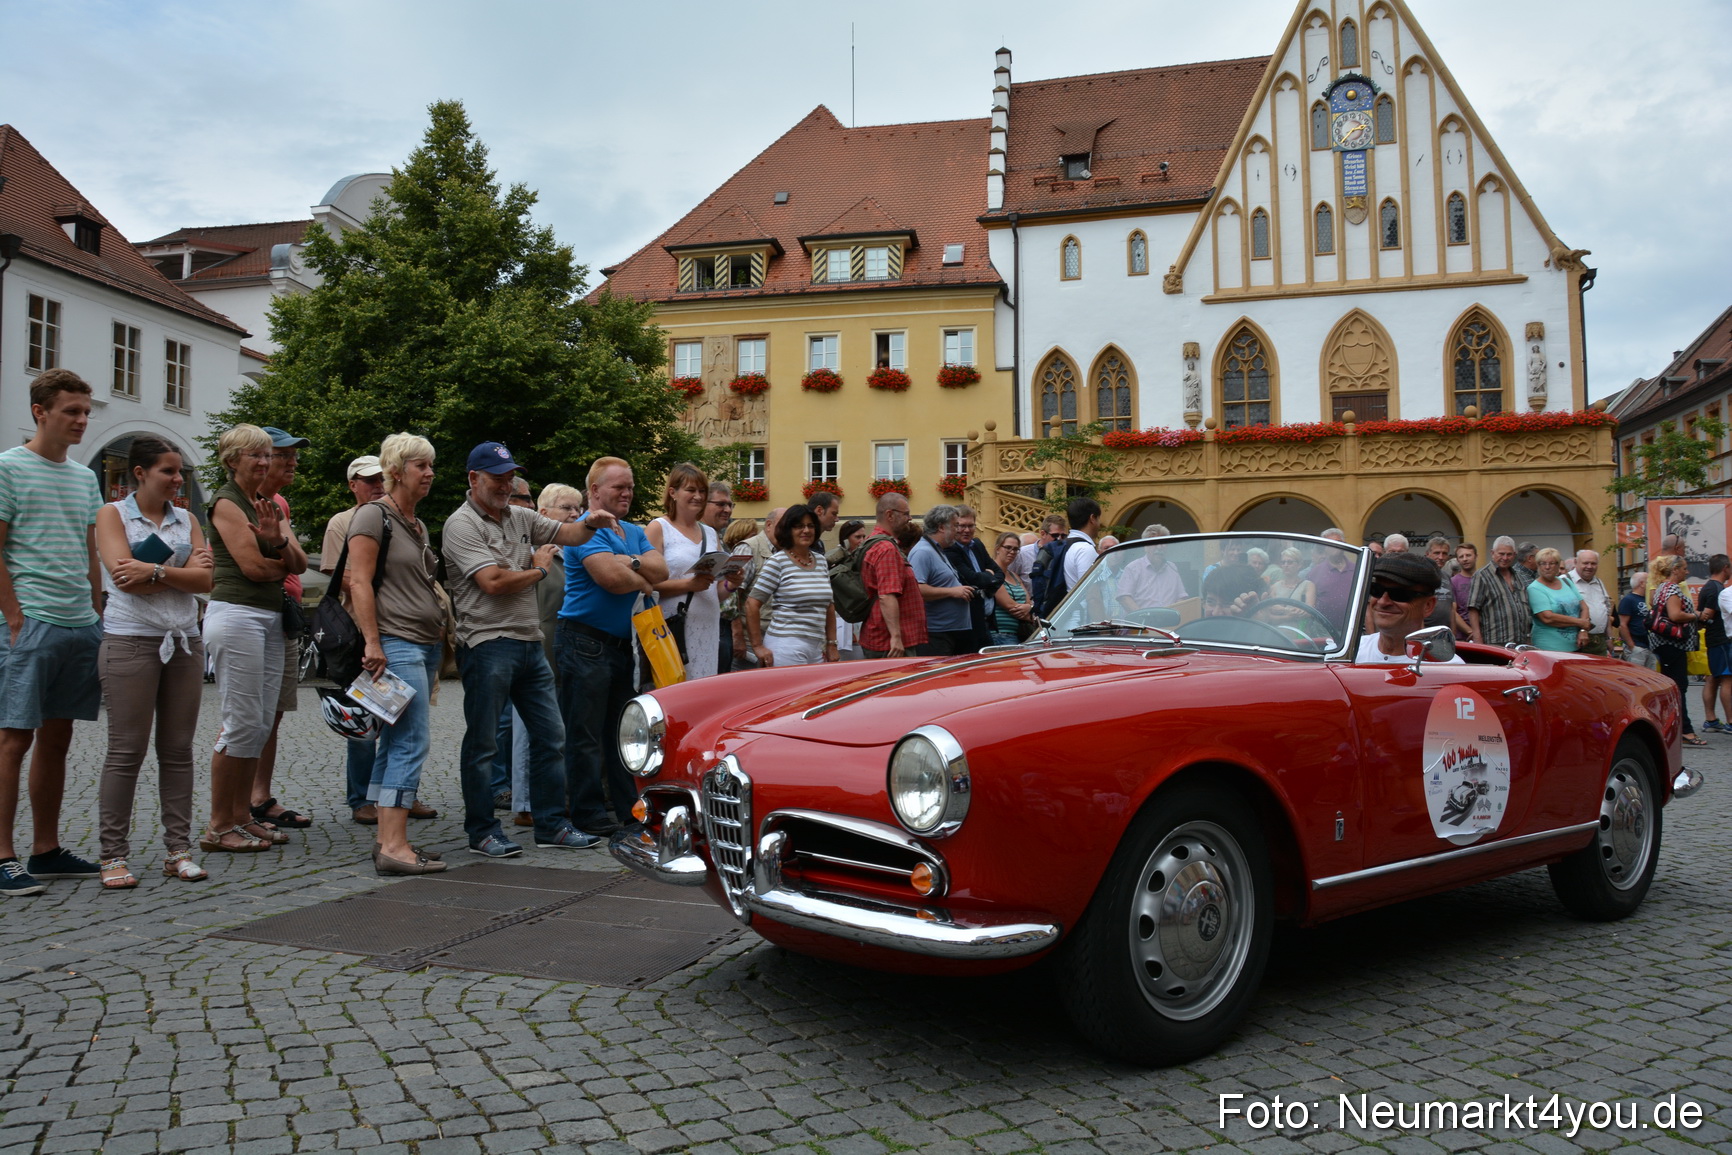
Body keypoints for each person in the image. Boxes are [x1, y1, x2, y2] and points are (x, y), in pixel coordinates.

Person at [443, 441, 619, 859]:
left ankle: (551, 825)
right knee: (484, 744)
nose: (506, 485)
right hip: (487, 643)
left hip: (528, 643)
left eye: (509, 477)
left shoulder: (519, 515)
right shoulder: (461, 524)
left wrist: (591, 521)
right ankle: (482, 831)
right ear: (473, 479)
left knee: (551, 737)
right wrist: (539, 567)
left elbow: (570, 534)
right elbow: (493, 582)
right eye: (497, 477)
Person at [0, 370, 108, 896]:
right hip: (32, 620)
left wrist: (94, 611)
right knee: (13, 739)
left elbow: (88, 552)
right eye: (72, 411)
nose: (82, 420)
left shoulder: (84, 477)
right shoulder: (8, 468)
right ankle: (2, 855)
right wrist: (14, 617)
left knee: (57, 738)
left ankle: (45, 851)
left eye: (86, 411)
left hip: (78, 623)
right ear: (41, 411)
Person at [94, 437, 214, 888]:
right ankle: (112, 855)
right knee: (126, 752)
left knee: (178, 751)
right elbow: (124, 579)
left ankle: (178, 851)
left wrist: (158, 571)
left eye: (180, 471)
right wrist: (177, 575)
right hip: (130, 641)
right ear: (140, 473)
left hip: (184, 642)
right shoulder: (113, 515)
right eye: (168, 470)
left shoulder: (186, 519)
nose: (178, 479)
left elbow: (207, 581)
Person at [202, 424, 305, 855]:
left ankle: (242, 816)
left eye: (267, 455)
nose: (264, 462)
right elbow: (252, 569)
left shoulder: (266, 504)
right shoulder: (227, 502)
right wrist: (278, 557)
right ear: (232, 461)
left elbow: (296, 560)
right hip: (238, 614)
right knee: (241, 722)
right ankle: (218, 825)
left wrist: (277, 543)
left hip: (266, 616)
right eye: (254, 456)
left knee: (260, 723)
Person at [347, 434, 447, 874]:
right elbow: (359, 582)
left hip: (422, 645)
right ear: (395, 470)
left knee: (394, 742)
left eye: (430, 465)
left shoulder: (416, 524)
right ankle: (394, 846)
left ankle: (387, 838)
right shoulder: (374, 516)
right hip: (396, 643)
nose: (428, 473)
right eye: (420, 466)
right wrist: (372, 642)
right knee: (411, 741)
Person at [558, 457, 668, 836]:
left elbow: (663, 572)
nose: (627, 493)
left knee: (624, 734)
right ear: (594, 492)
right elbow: (612, 580)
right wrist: (641, 574)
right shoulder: (582, 531)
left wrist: (632, 563)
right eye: (618, 487)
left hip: (623, 646)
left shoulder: (633, 531)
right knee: (585, 734)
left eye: (630, 486)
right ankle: (587, 813)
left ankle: (628, 810)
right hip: (583, 640)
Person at [249, 427, 319, 836]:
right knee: (246, 715)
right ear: (259, 459)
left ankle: (260, 797)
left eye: (295, 454)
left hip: (284, 614)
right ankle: (236, 805)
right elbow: (256, 565)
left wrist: (286, 559)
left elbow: (296, 561)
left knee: (273, 713)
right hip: (255, 614)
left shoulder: (279, 503)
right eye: (283, 454)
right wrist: (286, 560)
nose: (292, 461)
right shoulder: (241, 503)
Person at [320, 454, 388, 825]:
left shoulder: (396, 516)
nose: (377, 485)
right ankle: (361, 797)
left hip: (395, 626)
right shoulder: (342, 522)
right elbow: (336, 574)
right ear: (352, 485)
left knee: (399, 715)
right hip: (357, 630)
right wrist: (377, 591)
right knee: (364, 716)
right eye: (369, 480)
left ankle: (397, 795)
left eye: (381, 479)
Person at [647, 463, 722, 679]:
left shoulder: (710, 532)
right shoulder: (658, 527)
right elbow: (646, 585)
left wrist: (730, 582)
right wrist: (688, 585)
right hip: (674, 625)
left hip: (708, 626)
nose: (698, 496)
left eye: (702, 491)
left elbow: (713, 589)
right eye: (691, 490)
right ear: (673, 493)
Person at [747, 503, 838, 666]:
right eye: (799, 526)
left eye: (810, 526)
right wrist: (757, 646)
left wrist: (832, 644)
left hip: (817, 646)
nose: (806, 531)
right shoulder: (777, 562)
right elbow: (752, 604)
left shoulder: (821, 561)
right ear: (788, 530)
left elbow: (829, 606)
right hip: (786, 646)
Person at [1355, 553, 1465, 665]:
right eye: (1376, 590)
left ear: (1428, 606)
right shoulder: (1350, 653)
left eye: (1399, 594)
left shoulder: (1448, 670)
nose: (1383, 602)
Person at [860, 493, 929, 658]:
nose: (910, 518)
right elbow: (887, 595)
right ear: (890, 515)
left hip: (884, 639)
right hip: (890, 644)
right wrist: (896, 637)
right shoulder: (886, 549)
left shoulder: (874, 542)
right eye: (905, 514)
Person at [1648, 554, 1704, 746]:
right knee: (1678, 687)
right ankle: (1684, 730)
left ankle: (1673, 727)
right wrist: (1695, 615)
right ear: (1675, 570)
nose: (1687, 572)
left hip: (1666, 644)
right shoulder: (1671, 588)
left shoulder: (1662, 587)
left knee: (1675, 686)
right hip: (1671, 644)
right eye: (1684, 568)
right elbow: (1675, 614)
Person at [909, 504, 977, 655]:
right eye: (955, 526)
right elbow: (916, 589)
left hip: (949, 632)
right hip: (936, 635)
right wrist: (953, 592)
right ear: (941, 527)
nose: (957, 531)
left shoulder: (937, 549)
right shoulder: (922, 552)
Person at [946, 505, 1003, 651]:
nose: (967, 530)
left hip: (985, 621)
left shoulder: (977, 544)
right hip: (967, 623)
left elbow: (999, 573)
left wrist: (988, 578)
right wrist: (989, 575)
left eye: (970, 526)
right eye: (961, 526)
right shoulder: (950, 550)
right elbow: (972, 579)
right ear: (953, 526)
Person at [1467, 536, 1531, 648]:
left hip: (1520, 642)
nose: (1505, 558)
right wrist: (1477, 638)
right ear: (1492, 553)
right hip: (1494, 641)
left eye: (1509, 554)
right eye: (1501, 554)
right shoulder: (1482, 576)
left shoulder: (1519, 577)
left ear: (1514, 555)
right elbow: (1473, 609)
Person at [1526, 548, 1589, 652]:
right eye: (1543, 563)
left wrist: (1583, 630)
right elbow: (1547, 617)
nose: (1547, 567)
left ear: (1558, 565)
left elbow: (1584, 607)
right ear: (1538, 565)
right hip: (1550, 648)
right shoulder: (1534, 588)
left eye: (1552, 563)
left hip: (1576, 646)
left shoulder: (1566, 582)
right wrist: (1580, 622)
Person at [703, 483, 736, 671]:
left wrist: (731, 584)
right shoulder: (694, 538)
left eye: (730, 505)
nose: (728, 510)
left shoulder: (717, 537)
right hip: (697, 623)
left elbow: (718, 591)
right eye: (721, 504)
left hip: (721, 624)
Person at [1116, 524, 1188, 611]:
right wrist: (1142, 617)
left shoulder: (1172, 568)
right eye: (1155, 543)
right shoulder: (1133, 568)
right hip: (1141, 622)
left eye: (1163, 543)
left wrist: (1173, 615)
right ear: (1145, 546)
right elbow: (1124, 598)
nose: (1159, 547)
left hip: (1170, 622)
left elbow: (1181, 597)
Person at [1698, 554, 1732, 732]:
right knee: (1727, 679)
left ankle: (1711, 720)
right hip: (1721, 639)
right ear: (1725, 567)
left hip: (1715, 639)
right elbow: (1706, 614)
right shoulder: (1716, 589)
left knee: (1713, 678)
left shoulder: (1710, 587)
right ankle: (1730, 721)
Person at [829, 520, 869, 658]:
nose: (862, 541)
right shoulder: (834, 558)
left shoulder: (865, 556)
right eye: (857, 537)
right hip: (841, 616)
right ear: (846, 539)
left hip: (861, 614)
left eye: (864, 537)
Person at [990, 531, 1033, 645]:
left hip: (1018, 634)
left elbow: (1029, 601)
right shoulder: (990, 572)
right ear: (998, 548)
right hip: (999, 634)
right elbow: (1010, 606)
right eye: (1008, 547)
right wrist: (1030, 614)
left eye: (1015, 549)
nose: (1012, 552)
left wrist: (1029, 607)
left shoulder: (1015, 576)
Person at [1420, 536, 1469, 637]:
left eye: (1444, 553)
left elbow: (1451, 608)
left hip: (1445, 634)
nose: (1441, 557)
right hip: (1426, 633)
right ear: (1427, 554)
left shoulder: (1446, 576)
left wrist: (1453, 635)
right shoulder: (1421, 575)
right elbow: (1417, 608)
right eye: (1437, 553)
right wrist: (1422, 634)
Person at [1306, 532, 1356, 626]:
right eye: (1330, 543)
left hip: (1352, 628)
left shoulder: (1357, 569)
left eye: (1338, 541)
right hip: (1323, 629)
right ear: (1324, 548)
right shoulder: (1315, 572)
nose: (1335, 545)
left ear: (1344, 544)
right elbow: (1309, 603)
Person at [1571, 549, 1614, 658]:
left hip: (1599, 641)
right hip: (1576, 641)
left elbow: (1606, 612)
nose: (1589, 566)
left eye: (1593, 563)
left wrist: (1609, 638)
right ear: (1576, 562)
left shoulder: (1599, 582)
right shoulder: (1565, 581)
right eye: (1585, 563)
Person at [1617, 572, 1652, 667]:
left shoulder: (1648, 599)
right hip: (1637, 646)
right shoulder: (1628, 600)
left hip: (1650, 646)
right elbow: (1623, 625)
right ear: (1642, 583)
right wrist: (1632, 646)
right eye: (1649, 581)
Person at [1451, 543, 1479, 634]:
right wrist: (1470, 632)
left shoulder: (1484, 579)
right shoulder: (1453, 582)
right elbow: (1452, 612)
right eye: (1461, 556)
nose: (1465, 559)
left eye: (1468, 555)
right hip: (1463, 637)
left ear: (1476, 556)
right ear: (1458, 560)